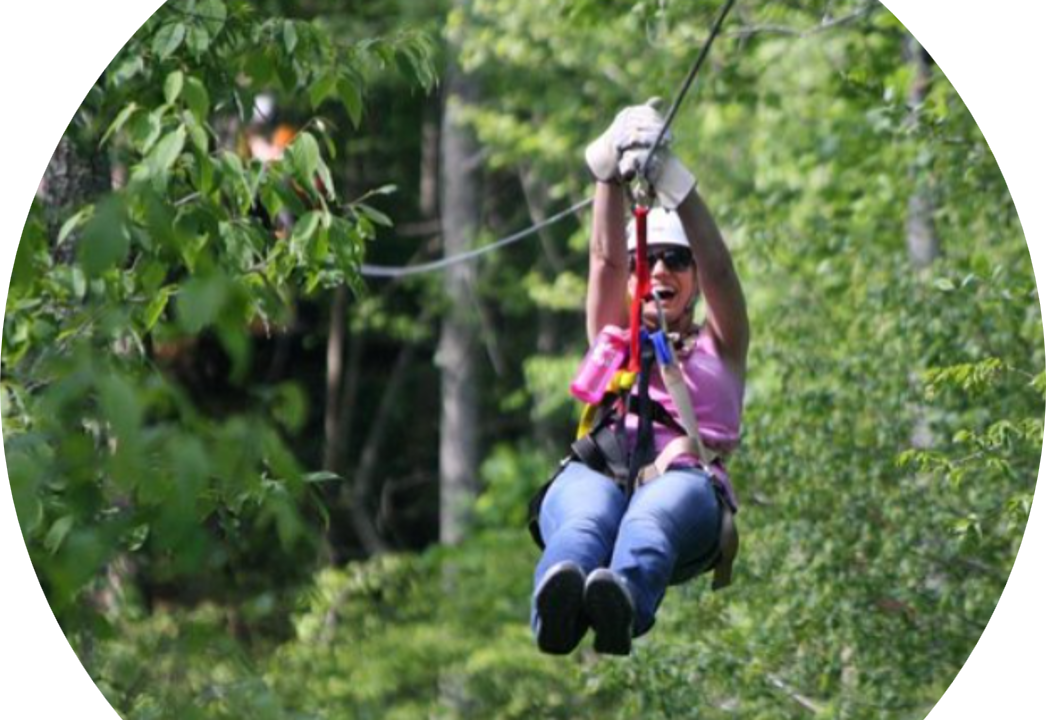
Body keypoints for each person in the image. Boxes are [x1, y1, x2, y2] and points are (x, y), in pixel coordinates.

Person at [529, 101, 749, 656]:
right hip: (599, 471)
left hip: (685, 487)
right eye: (646, 261)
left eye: (676, 260)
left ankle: (621, 602)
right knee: (582, 522)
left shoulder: (721, 345)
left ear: (694, 279)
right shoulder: (612, 333)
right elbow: (604, 259)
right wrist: (605, 173)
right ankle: (557, 611)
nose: (659, 272)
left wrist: (678, 185)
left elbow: (721, 267)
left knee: (652, 518)